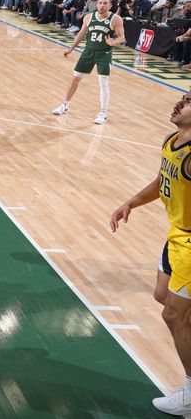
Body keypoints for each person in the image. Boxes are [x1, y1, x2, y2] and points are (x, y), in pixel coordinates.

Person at [110, 91, 191, 416]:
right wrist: (130, 202)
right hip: (176, 237)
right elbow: (162, 182)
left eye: (187, 101)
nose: (179, 103)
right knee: (162, 296)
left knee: (173, 315)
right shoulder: (172, 141)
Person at [52, 0, 125, 125]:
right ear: (97, 5)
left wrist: (113, 42)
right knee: (75, 79)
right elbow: (81, 34)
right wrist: (71, 49)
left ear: (110, 5)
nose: (102, 5)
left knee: (103, 82)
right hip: (88, 51)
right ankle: (65, 105)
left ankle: (103, 113)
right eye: (100, 3)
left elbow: (122, 37)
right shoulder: (88, 17)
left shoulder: (116, 19)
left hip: (104, 53)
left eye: (105, 3)